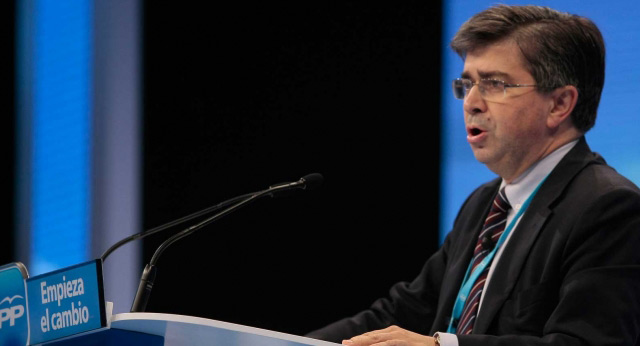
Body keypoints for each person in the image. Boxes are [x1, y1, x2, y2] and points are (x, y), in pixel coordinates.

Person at [306, 5, 640, 346]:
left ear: (559, 104)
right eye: (467, 84)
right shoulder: (484, 204)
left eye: (494, 84)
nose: (471, 102)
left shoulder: (609, 208)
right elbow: (404, 310)